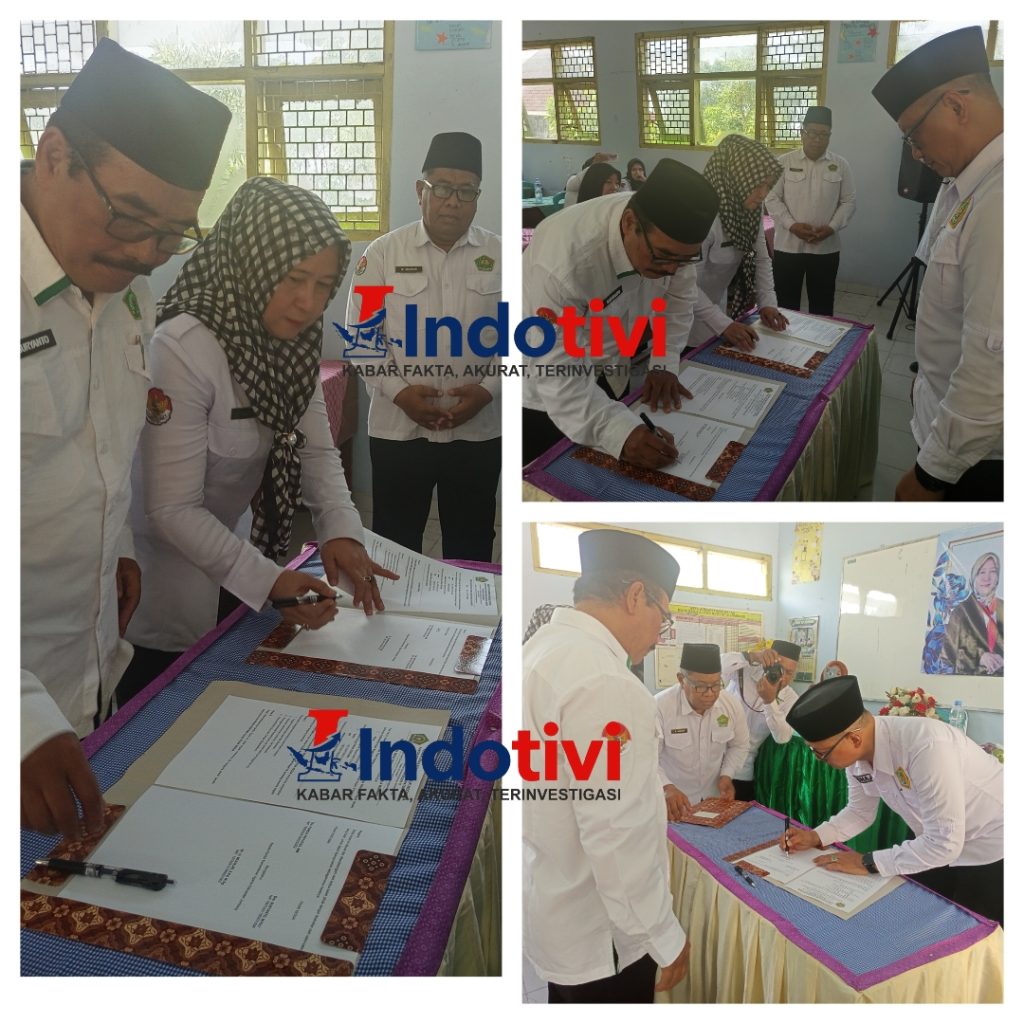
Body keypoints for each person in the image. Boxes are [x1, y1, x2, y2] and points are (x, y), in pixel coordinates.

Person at [21, 39, 230, 839]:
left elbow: (94, 448)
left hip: (88, 670)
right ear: (55, 155)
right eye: (132, 217)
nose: (146, 254)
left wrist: (112, 547)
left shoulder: (125, 291)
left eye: (174, 233)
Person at [116, 178, 396, 701]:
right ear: (253, 264)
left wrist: (342, 532)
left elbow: (316, 449)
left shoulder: (291, 340)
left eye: (323, 284)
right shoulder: (184, 347)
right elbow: (171, 509)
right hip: (165, 583)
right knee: (159, 708)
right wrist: (269, 581)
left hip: (232, 556)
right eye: (293, 278)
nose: (308, 303)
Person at [524, 529, 690, 1001]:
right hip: (604, 934)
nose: (660, 636)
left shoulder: (542, 650)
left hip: (556, 902)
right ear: (636, 596)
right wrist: (663, 936)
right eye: (664, 616)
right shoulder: (605, 682)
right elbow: (616, 834)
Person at [345, 132, 501, 561]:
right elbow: (362, 340)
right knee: (396, 547)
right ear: (421, 190)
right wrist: (400, 394)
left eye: (467, 191)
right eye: (443, 188)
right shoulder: (382, 255)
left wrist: (488, 391)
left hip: (478, 430)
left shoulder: (501, 255)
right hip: (399, 430)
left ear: (477, 197)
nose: (454, 201)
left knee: (471, 545)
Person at [872, 26, 1002, 502]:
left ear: (956, 106)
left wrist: (932, 475)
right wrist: (926, 383)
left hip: (976, 456)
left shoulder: (1002, 199)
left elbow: (994, 362)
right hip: (944, 416)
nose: (915, 152)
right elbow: (947, 309)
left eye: (914, 133)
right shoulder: (962, 184)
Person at [522, 158, 720, 469]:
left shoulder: (669, 240)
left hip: (613, 365)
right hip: (547, 390)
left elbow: (678, 299)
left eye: (683, 261)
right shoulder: (565, 263)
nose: (671, 269)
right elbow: (558, 373)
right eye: (664, 257)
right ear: (629, 223)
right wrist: (619, 433)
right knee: (556, 477)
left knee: (618, 467)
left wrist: (664, 361)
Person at [781, 675, 1003, 925]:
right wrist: (816, 837)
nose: (818, 759)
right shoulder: (857, 756)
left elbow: (944, 843)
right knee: (923, 916)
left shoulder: (926, 747)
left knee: (972, 932)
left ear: (854, 739)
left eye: (821, 753)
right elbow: (859, 812)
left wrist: (867, 862)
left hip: (992, 845)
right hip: (936, 841)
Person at [689, 134, 788, 350]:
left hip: (714, 306)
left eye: (768, 186)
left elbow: (761, 259)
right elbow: (685, 283)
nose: (763, 194)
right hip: (681, 310)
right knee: (679, 359)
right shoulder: (701, 214)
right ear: (735, 177)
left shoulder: (749, 209)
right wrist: (724, 324)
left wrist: (767, 303)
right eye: (758, 185)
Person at [765, 106, 856, 317]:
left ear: (830, 136)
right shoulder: (783, 162)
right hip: (788, 246)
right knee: (786, 305)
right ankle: (787, 339)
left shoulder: (840, 165)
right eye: (812, 133)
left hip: (825, 248)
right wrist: (792, 226)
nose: (817, 139)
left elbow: (849, 202)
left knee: (822, 306)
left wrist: (831, 228)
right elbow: (771, 198)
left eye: (824, 134)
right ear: (802, 132)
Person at [656, 643, 750, 821]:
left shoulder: (730, 704)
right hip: (672, 803)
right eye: (700, 686)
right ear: (681, 680)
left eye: (716, 685)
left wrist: (727, 775)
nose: (710, 693)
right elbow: (648, 758)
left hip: (712, 800)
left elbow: (740, 745)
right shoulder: (659, 708)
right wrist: (666, 787)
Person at [720, 640, 800, 801]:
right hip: (711, 761)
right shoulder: (745, 670)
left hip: (742, 769)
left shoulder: (790, 697)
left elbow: (782, 737)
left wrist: (770, 702)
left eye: (789, 673)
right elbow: (714, 665)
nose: (782, 677)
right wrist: (751, 656)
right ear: (768, 663)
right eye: (779, 669)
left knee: (739, 814)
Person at [941, 552, 1003, 675]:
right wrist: (979, 657)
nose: (987, 578)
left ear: (998, 577)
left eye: (992, 571)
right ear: (974, 577)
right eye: (982, 572)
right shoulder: (960, 612)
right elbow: (947, 655)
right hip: (970, 681)